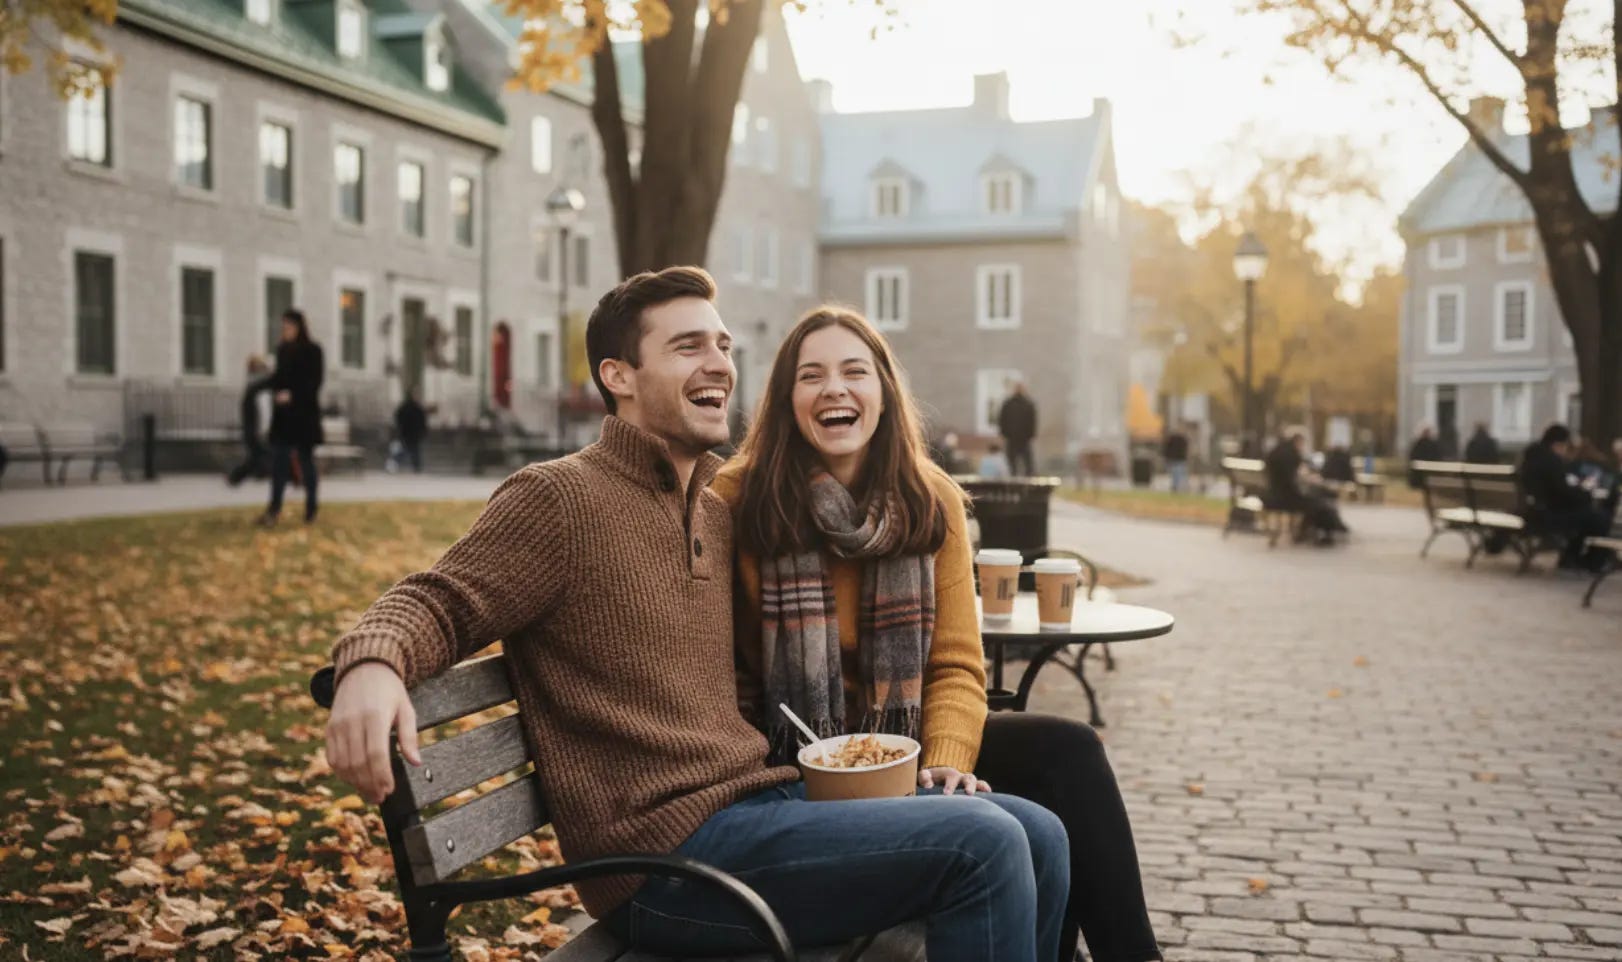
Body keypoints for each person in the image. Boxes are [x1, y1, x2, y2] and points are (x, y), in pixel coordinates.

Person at [324, 268, 1066, 962]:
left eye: (723, 345)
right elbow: (441, 597)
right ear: (618, 376)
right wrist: (372, 662)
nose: (718, 363)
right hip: (664, 864)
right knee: (984, 845)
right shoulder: (560, 499)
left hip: (754, 808)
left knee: (1039, 832)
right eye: (687, 347)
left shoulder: (714, 507)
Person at [716, 306, 1159, 962]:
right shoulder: (738, 499)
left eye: (854, 372)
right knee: (1019, 831)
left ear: (885, 394)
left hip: (907, 744)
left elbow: (954, 663)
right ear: (787, 402)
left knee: (1067, 752)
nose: (834, 388)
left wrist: (946, 759)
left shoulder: (931, 500)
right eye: (811, 376)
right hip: (799, 758)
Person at [259, 309, 325, 526]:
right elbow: (279, 379)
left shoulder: (313, 351)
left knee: (306, 464)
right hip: (284, 420)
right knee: (278, 464)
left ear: (298, 328)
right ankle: (273, 510)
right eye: (283, 327)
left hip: (304, 418)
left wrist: (292, 395)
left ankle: (311, 510)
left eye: (288, 327)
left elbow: (313, 383)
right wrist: (263, 384)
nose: (284, 331)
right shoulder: (282, 351)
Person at [1517, 423, 1610, 571]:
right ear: (1558, 444)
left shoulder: (1530, 458)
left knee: (1587, 514)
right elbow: (1562, 492)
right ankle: (1593, 561)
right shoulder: (1551, 461)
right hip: (1547, 516)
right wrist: (1585, 494)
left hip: (1532, 512)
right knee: (1599, 517)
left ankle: (1571, 557)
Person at [1264, 432, 1348, 546]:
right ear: (1298, 442)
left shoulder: (1274, 453)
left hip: (1271, 496)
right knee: (1318, 504)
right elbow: (1300, 476)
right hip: (1287, 498)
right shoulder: (1292, 455)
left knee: (1314, 501)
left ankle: (1303, 533)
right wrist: (1317, 481)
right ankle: (1314, 533)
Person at [227, 356, 274, 487]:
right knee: (258, 455)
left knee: (257, 456)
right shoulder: (256, 387)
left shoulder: (254, 386)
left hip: (254, 428)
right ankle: (236, 476)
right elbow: (262, 411)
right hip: (254, 428)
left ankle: (240, 476)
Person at [998, 382, 1038, 476]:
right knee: (1014, 462)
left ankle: (1026, 477)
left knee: (1024, 462)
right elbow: (1002, 419)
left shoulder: (1027, 404)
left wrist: (1031, 434)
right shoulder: (1009, 404)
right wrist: (1004, 433)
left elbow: (1032, 421)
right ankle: (1018, 478)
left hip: (1022, 438)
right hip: (1014, 438)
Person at [392, 388, 429, 474]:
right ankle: (395, 463)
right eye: (415, 395)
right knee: (405, 450)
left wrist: (423, 431)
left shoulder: (419, 409)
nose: (417, 397)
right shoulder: (406, 407)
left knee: (415, 451)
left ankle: (417, 467)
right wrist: (401, 428)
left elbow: (422, 422)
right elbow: (399, 418)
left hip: (415, 434)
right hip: (407, 433)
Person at [1406, 424, 1444, 489]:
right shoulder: (1418, 444)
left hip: (1431, 469)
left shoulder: (1432, 444)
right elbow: (1413, 457)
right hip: (1420, 471)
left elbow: (1437, 456)